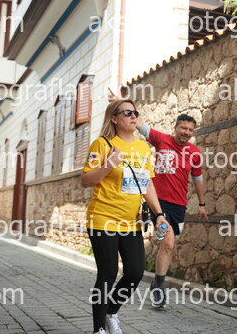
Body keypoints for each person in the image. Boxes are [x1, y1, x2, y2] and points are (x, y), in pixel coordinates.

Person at [81, 99, 170, 334]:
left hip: (131, 222)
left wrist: (159, 214)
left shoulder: (143, 148)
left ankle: (110, 312)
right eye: (127, 112)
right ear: (114, 118)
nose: (133, 116)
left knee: (134, 272)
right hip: (103, 217)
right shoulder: (103, 144)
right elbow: (85, 180)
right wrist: (108, 165)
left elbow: (147, 184)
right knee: (108, 273)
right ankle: (98, 329)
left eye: (135, 113)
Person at [136, 113, 207, 308]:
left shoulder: (195, 154)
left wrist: (202, 204)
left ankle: (156, 282)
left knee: (169, 245)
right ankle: (159, 288)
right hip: (158, 202)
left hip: (178, 205)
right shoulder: (161, 139)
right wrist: (123, 104)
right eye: (183, 128)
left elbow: (198, 180)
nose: (187, 132)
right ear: (175, 128)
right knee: (168, 241)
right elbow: (139, 124)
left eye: (190, 130)